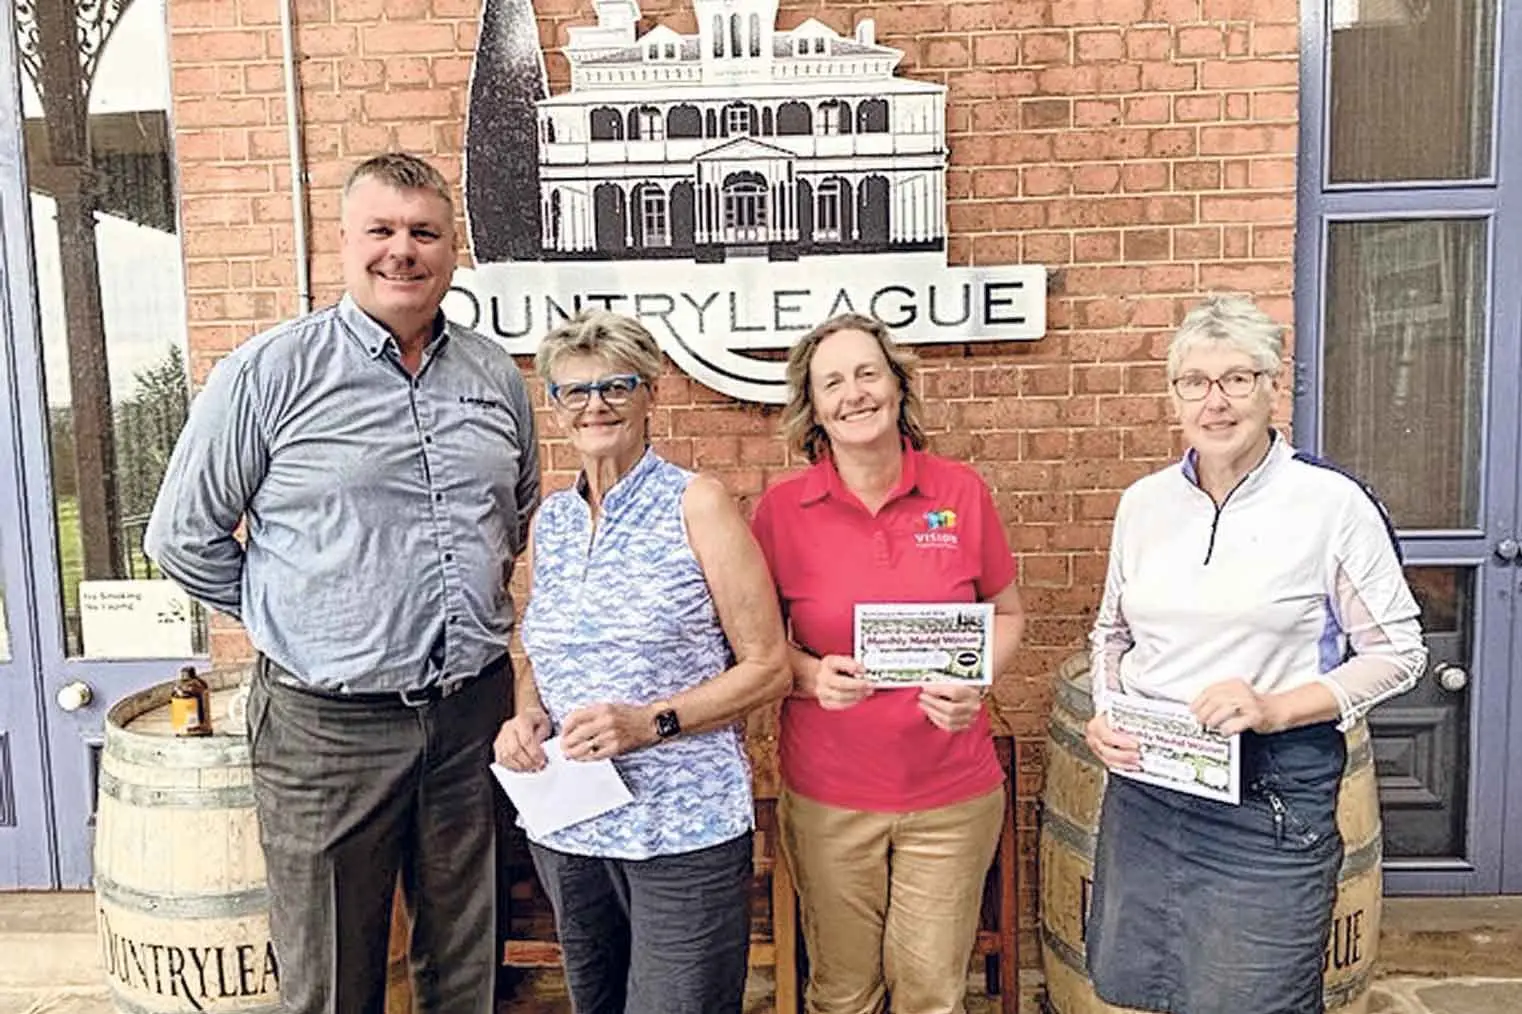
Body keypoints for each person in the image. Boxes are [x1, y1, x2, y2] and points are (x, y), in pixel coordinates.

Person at [145, 152, 539, 1014]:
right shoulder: (270, 373)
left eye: (425, 233)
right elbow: (182, 535)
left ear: (452, 250)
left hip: (469, 716)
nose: (404, 251)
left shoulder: (493, 375)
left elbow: (509, 518)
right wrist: (296, 615)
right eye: (383, 231)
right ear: (344, 243)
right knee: (330, 977)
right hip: (325, 729)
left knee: (467, 966)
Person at [1083, 294, 1428, 1014]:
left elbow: (1398, 651)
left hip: (1269, 791)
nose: (1216, 401)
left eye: (1238, 378)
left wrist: (1273, 708)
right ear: (1173, 396)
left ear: (1274, 386)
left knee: (1255, 997)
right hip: (1151, 787)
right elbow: (1111, 635)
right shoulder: (1144, 504)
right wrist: (1107, 714)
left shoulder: (1331, 505)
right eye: (1195, 383)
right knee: (1145, 987)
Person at [492, 311, 790, 1014]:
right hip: (570, 824)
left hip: (682, 827)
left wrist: (650, 723)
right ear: (556, 407)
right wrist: (526, 714)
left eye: (615, 386)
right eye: (575, 391)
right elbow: (539, 645)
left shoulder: (698, 503)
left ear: (650, 393)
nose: (595, 404)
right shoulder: (553, 522)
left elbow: (768, 665)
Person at [749, 313, 1026, 1014]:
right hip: (829, 795)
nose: (855, 393)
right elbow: (754, 642)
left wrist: (975, 678)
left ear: (898, 385)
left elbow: (1010, 613)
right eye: (833, 381)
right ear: (814, 408)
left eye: (868, 372)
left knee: (932, 993)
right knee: (843, 993)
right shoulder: (783, 511)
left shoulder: (960, 493)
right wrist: (810, 675)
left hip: (951, 798)